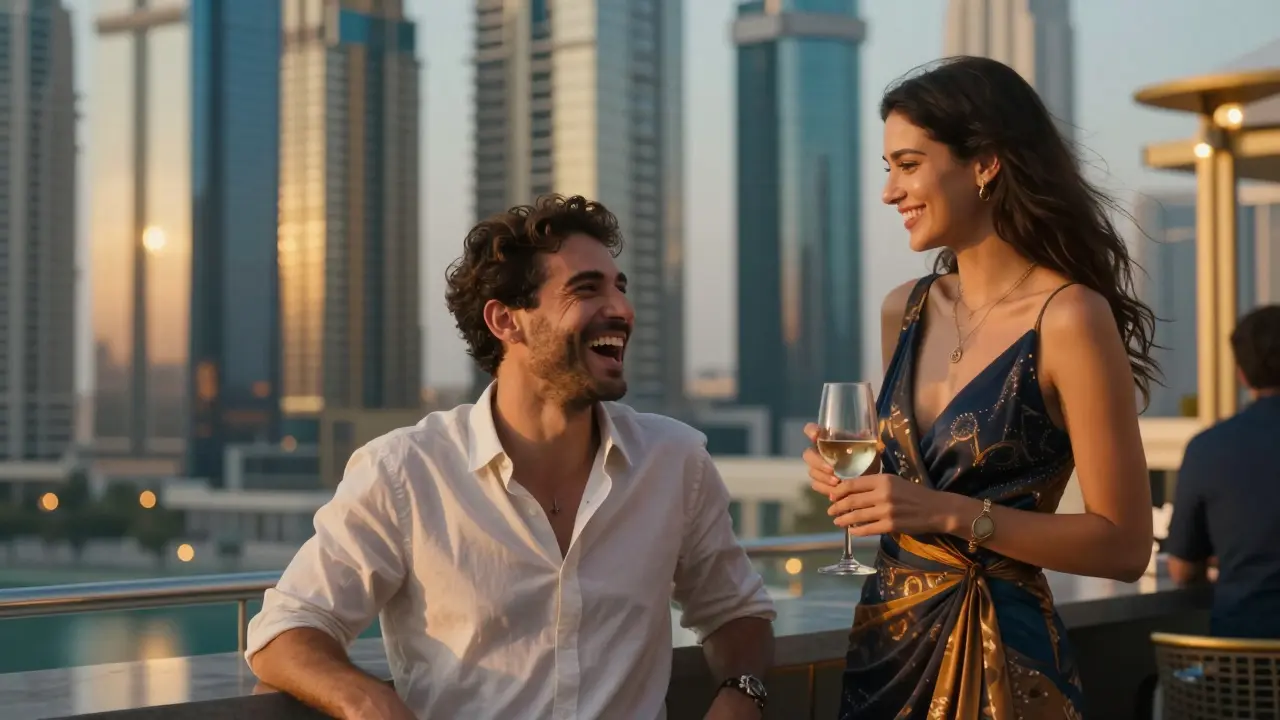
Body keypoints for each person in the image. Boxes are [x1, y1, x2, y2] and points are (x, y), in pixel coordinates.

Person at [246, 194, 777, 720]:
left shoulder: (675, 461)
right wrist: (369, 703)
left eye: (620, 287)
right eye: (586, 290)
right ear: (506, 321)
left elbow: (736, 611)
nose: (621, 309)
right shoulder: (405, 472)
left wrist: (742, 695)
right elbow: (285, 629)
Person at [801, 56, 1156, 719]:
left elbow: (1126, 547)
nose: (889, 192)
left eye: (908, 165)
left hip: (1003, 665)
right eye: (889, 170)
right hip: (886, 647)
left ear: (985, 163)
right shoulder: (902, 309)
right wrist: (858, 480)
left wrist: (948, 516)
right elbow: (921, 480)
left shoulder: (1071, 317)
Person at [1165, 304, 1280, 638]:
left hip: (1240, 672)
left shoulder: (1208, 448)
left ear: (1241, 373)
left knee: (1155, 689)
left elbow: (1182, 571)